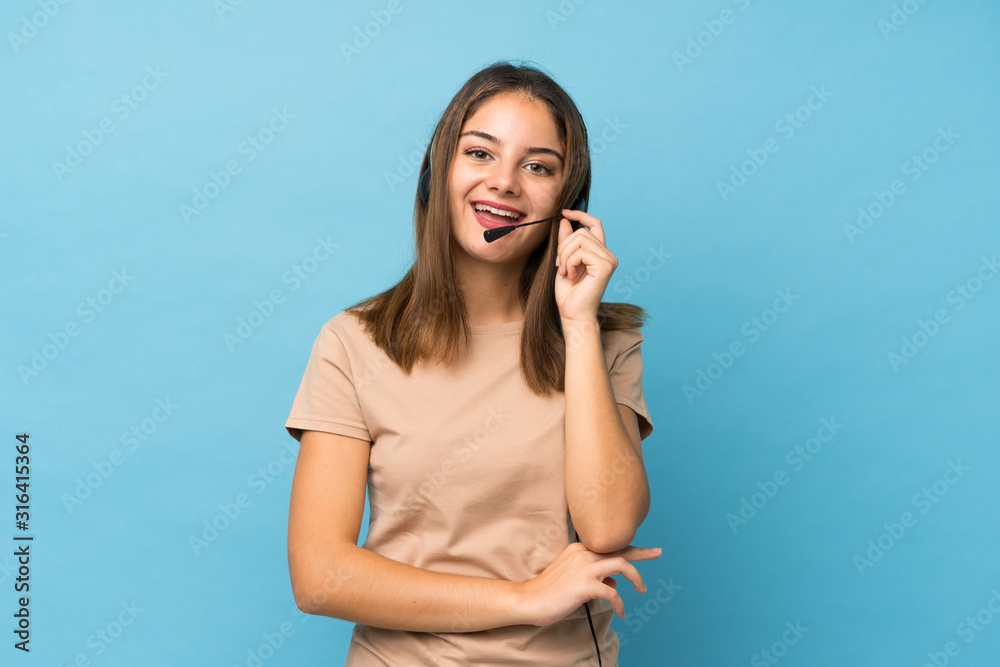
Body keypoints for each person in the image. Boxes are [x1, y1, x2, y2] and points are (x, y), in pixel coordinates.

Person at [284, 60, 660, 666]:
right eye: (480, 153)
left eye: (538, 166)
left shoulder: (605, 340)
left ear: (567, 202)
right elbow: (320, 576)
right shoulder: (353, 343)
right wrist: (524, 599)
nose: (505, 183)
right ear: (441, 169)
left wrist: (579, 327)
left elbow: (609, 526)